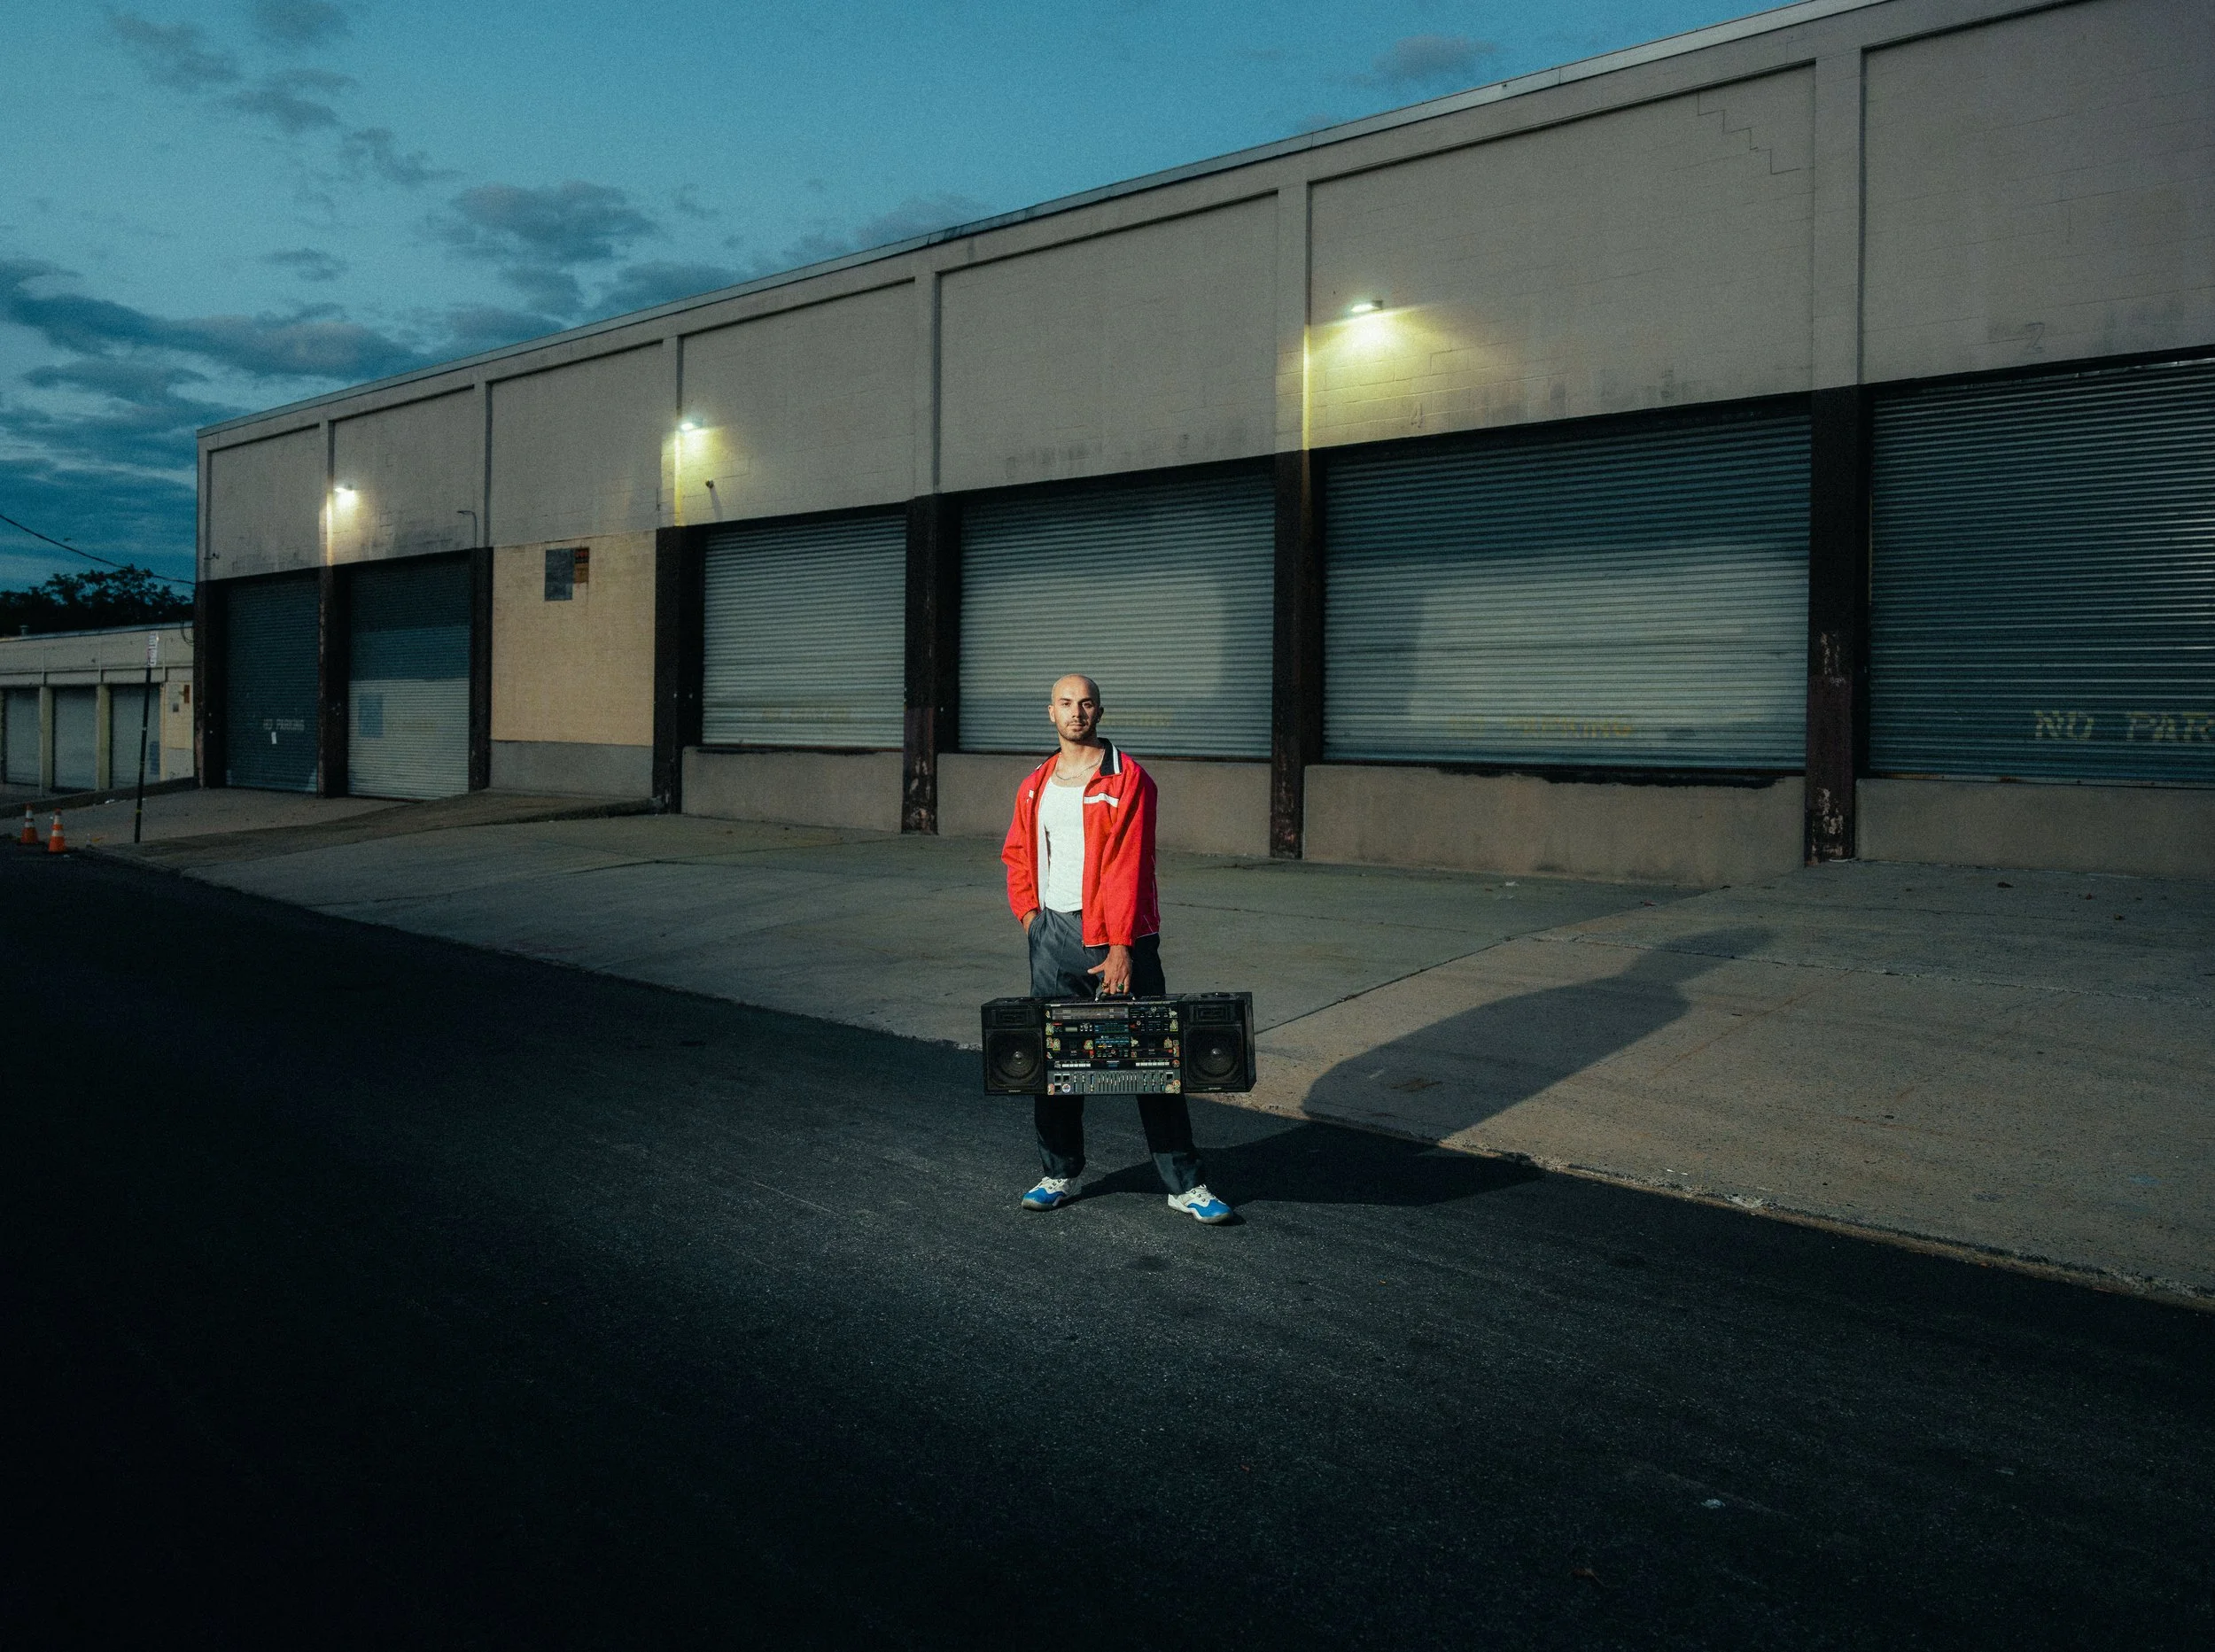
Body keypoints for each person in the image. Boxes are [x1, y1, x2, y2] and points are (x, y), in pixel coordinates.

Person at [1001, 673, 1233, 1224]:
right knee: (1057, 1064)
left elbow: (1127, 868)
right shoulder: (1035, 783)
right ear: (1049, 713)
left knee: (1152, 1063)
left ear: (1099, 712)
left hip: (1120, 938)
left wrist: (1121, 946)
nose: (1076, 713)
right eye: (1065, 704)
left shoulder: (1127, 779)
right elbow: (1017, 852)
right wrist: (1031, 917)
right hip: (1054, 936)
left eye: (1085, 704)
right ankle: (1057, 1172)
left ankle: (1185, 1184)